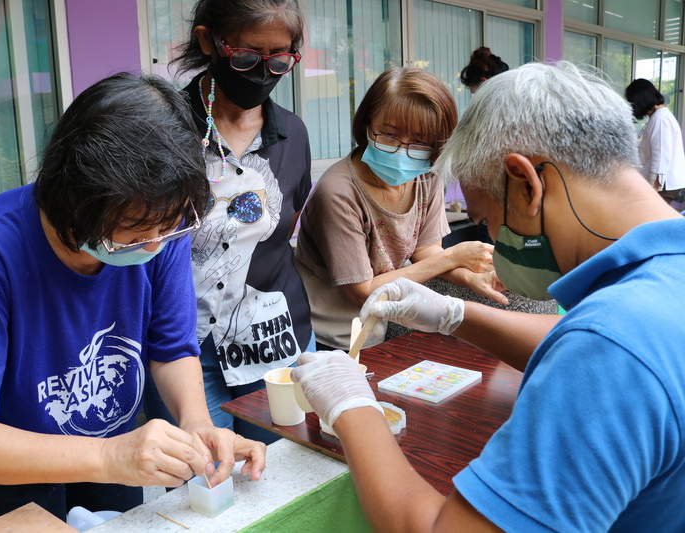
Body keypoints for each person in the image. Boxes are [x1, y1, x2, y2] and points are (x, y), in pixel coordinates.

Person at [292, 61, 685, 532]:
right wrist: (455, 315)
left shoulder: (610, 349)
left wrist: (352, 410)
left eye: (489, 219)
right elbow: (579, 339)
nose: (495, 242)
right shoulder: (653, 291)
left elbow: (603, 349)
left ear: (525, 185)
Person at [0, 73, 266, 528]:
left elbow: (172, 347)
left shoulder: (162, 219)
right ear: (75, 202)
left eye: (167, 229)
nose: (155, 245)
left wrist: (196, 424)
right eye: (133, 236)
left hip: (110, 441)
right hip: (10, 466)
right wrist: (107, 454)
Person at [143, 0, 314, 444]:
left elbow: (284, 230)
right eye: (245, 56)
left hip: (274, 339)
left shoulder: (292, 134)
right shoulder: (162, 131)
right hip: (184, 348)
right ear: (208, 41)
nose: (262, 72)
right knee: (204, 483)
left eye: (279, 60)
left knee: (284, 473)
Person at [295, 66, 506, 352]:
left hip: (376, 326)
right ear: (367, 124)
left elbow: (427, 252)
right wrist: (456, 256)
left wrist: (470, 277)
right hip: (324, 334)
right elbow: (363, 292)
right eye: (389, 135)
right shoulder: (338, 192)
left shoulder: (427, 175)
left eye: (419, 142)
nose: (402, 150)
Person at [625, 78, 685, 206]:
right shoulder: (658, 116)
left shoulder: (660, 119)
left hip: (663, 186)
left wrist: (652, 191)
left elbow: (661, 158)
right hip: (662, 185)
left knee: (650, 219)